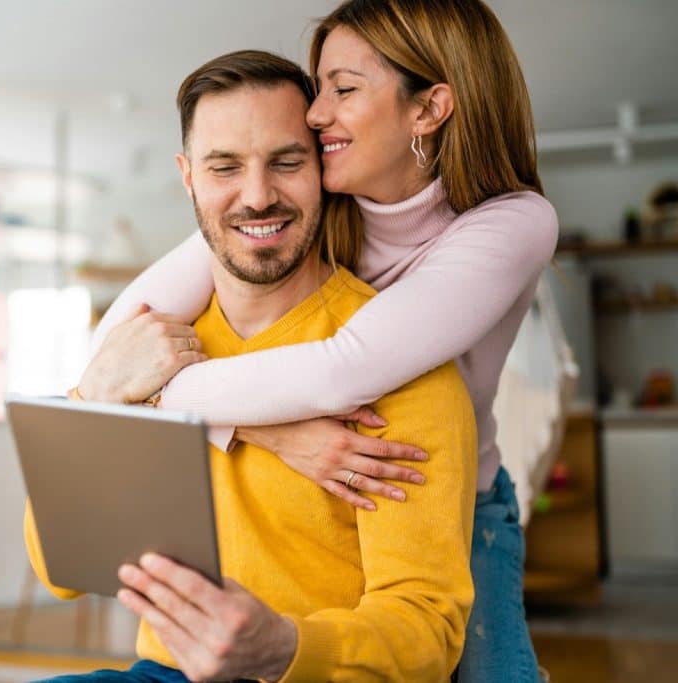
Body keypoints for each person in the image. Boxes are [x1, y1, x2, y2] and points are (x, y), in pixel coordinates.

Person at [82, 2, 558, 681]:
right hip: (333, 465)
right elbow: (119, 336)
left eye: (343, 88)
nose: (313, 112)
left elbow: (345, 370)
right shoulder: (316, 196)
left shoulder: (513, 222)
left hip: (449, 492)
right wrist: (266, 432)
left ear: (430, 108)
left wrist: (156, 392)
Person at [25, 49, 477, 683]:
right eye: (224, 167)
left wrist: (287, 646)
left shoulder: (401, 366)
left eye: (287, 162)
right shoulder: (146, 354)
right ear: (188, 176)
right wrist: (95, 394)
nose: (258, 196)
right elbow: (56, 567)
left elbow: (428, 632)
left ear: (324, 166)